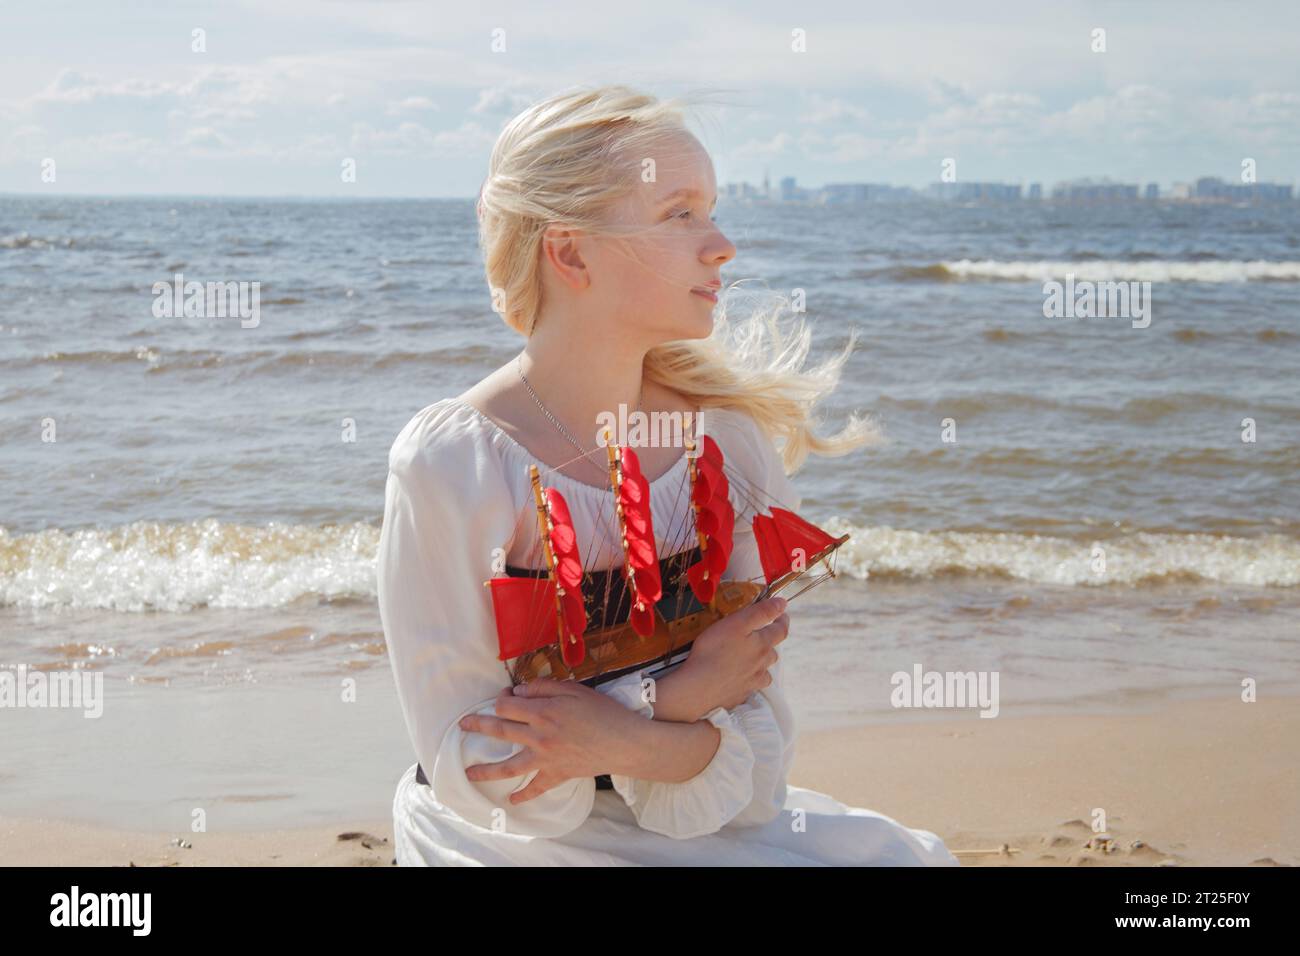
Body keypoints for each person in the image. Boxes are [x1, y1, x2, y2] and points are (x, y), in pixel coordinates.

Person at [377, 84, 958, 866]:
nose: (721, 245)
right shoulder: (455, 464)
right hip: (503, 843)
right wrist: (672, 701)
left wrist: (617, 735)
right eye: (679, 213)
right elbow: (483, 769)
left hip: (706, 827)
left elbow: (756, 778)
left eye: (712, 210)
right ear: (572, 251)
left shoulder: (727, 448)